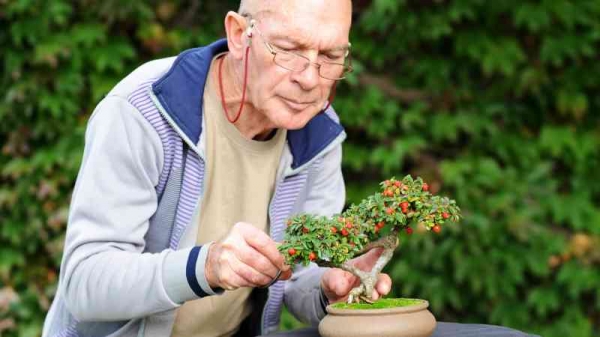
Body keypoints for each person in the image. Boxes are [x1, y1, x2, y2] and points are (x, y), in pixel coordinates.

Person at [42, 1, 539, 336]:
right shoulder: (144, 111)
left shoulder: (318, 133)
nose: (310, 79)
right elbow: (85, 283)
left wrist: (328, 287)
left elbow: (295, 278)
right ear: (239, 34)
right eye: (289, 50)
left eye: (330, 56)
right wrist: (205, 266)